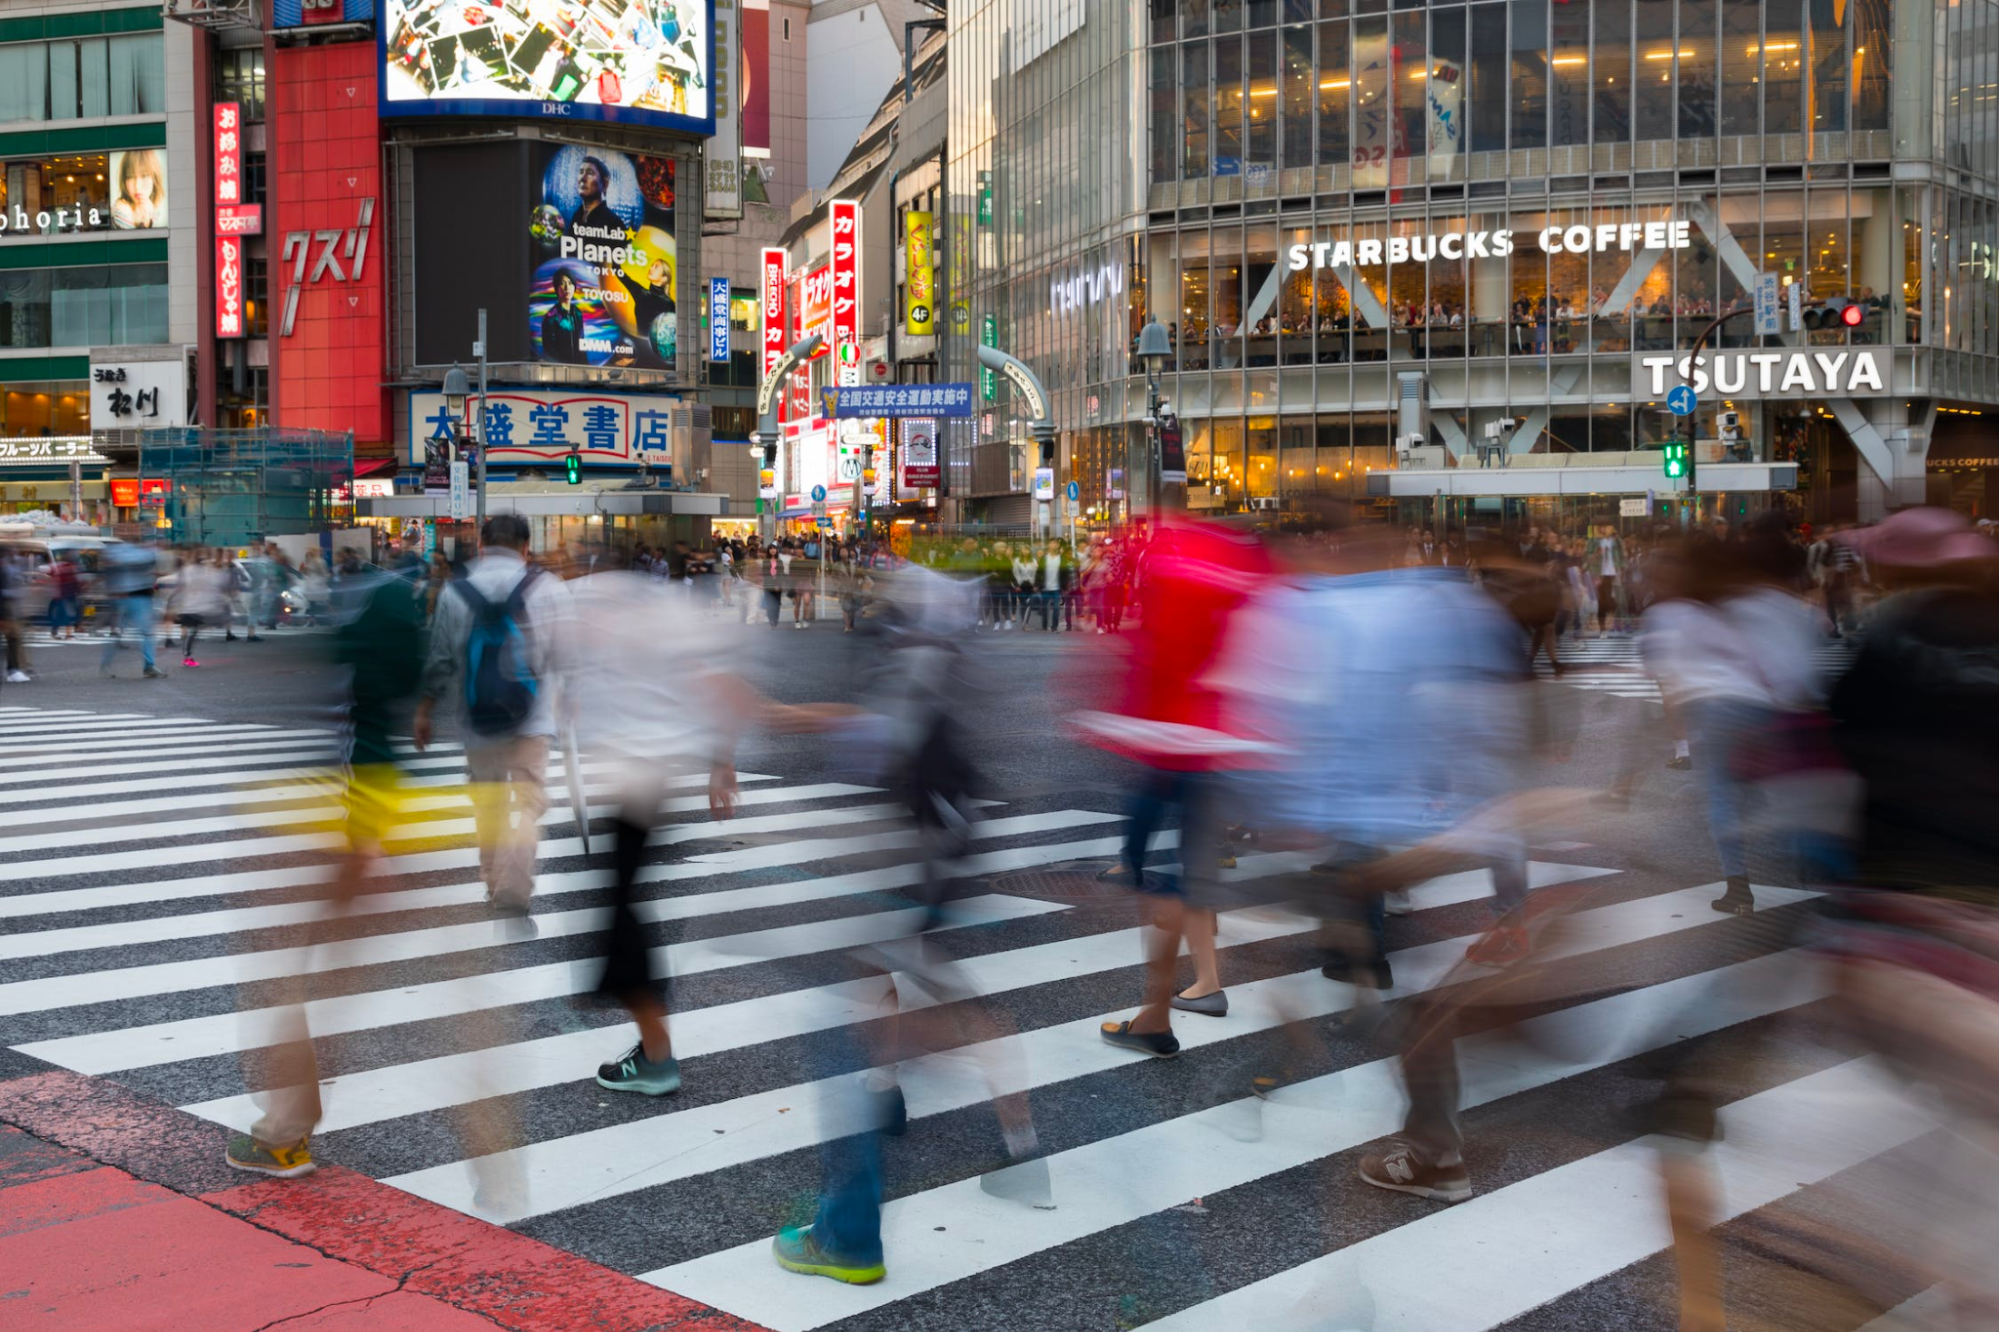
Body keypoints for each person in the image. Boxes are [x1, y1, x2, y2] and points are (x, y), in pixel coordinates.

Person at [224, 559, 427, 1179]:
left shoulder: (359, 678)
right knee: (314, 981)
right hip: (363, 830)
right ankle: (289, 1125)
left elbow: (356, 755)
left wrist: (366, 844)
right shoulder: (389, 673)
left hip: (350, 838)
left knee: (287, 976)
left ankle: (284, 1132)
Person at [413, 514, 569, 920]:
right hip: (532, 719)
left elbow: (441, 658)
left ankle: (491, 878)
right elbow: (568, 656)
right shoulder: (548, 588)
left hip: (477, 720)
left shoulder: (455, 591)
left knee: (489, 804)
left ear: (481, 546)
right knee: (527, 804)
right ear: (526, 547)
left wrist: (425, 709)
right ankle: (514, 886)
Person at [98, 539, 164, 679]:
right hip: (129, 597)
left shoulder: (126, 552)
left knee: (134, 632)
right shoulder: (121, 551)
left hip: (137, 597)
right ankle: (148, 666)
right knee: (139, 633)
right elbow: (135, 560)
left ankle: (148, 665)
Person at [569, 154, 623, 239]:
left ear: (605, 184)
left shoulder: (614, 222)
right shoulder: (576, 215)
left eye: (590, 173)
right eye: (581, 172)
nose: (583, 178)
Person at [111, 149, 166, 230]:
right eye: (130, 176)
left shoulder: (157, 212)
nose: (137, 186)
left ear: (154, 179)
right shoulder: (120, 212)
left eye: (144, 176)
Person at [541, 271, 585, 363]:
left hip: (578, 370)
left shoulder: (577, 313)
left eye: (570, 283)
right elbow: (549, 351)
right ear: (556, 288)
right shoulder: (551, 317)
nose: (567, 288)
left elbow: (582, 345)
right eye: (562, 283)